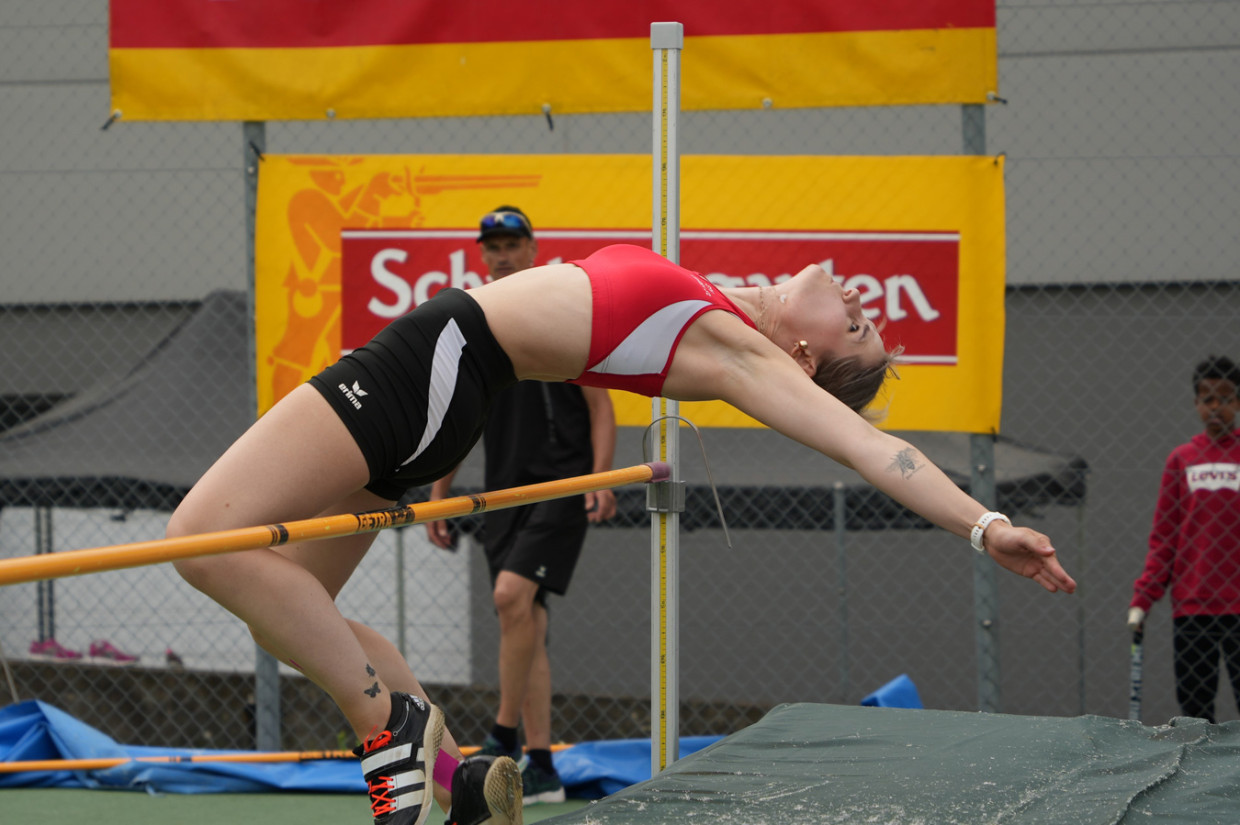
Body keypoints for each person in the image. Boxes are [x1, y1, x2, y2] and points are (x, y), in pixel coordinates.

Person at [166, 242, 1077, 825]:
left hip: (439, 358)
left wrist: (985, 521)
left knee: (201, 536)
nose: (858, 301)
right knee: (293, 596)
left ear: (804, 360)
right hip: (454, 388)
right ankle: (458, 777)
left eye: (860, 326)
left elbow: (879, 452)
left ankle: (388, 722)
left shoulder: (740, 355)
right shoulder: (720, 308)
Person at [425, 206, 617, 805]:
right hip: (501, 493)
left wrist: (600, 478)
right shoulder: (476, 322)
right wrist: (439, 489)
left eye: (512, 243)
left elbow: (600, 407)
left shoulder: (560, 310)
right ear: (481, 255)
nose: (502, 254)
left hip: (560, 486)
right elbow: (463, 416)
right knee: (524, 622)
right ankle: (541, 768)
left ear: (534, 249)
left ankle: (501, 736)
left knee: (510, 598)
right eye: (492, 246)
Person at [1128, 355, 1240, 723]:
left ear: (1237, 403)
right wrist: (1144, 598)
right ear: (1196, 404)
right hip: (1193, 608)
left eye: (1225, 398)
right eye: (1207, 399)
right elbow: (1164, 536)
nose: (1216, 407)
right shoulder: (1182, 460)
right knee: (1195, 714)